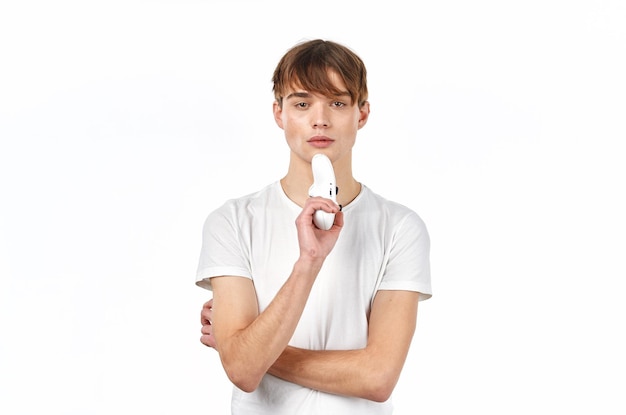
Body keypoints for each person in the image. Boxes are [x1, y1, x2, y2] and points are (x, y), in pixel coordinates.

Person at [196, 38, 432, 414]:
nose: (320, 119)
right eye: (302, 103)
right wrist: (309, 260)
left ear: (362, 114)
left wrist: (245, 347)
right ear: (279, 113)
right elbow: (241, 371)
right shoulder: (233, 221)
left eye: (337, 103)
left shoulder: (400, 227)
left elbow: (378, 377)